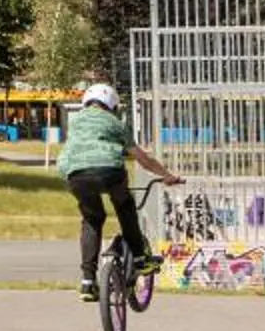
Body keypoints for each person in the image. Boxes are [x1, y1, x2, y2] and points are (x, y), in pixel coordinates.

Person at [58, 81, 183, 298]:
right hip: (109, 171)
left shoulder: (75, 122)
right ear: (112, 105)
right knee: (125, 208)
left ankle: (87, 281)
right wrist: (167, 176)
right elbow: (143, 159)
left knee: (92, 220)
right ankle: (140, 259)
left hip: (75, 175)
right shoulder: (115, 123)